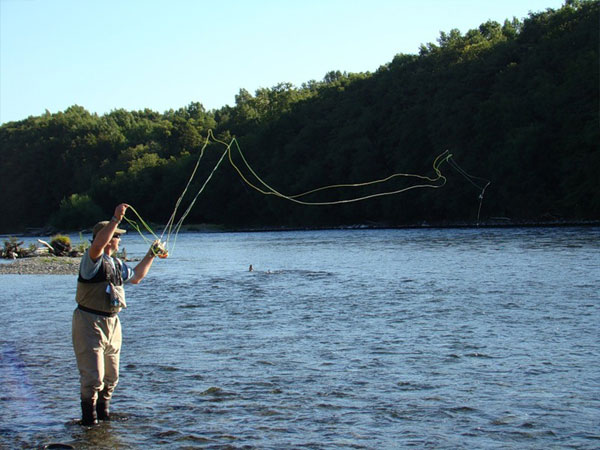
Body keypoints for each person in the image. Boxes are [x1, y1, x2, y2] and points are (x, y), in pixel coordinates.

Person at [72, 203, 159, 426]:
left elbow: (137, 276)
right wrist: (116, 219)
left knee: (111, 378)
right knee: (94, 378)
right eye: (117, 236)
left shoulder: (117, 264)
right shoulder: (91, 260)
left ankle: (104, 416)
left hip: (113, 324)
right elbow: (98, 245)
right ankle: (89, 422)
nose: (119, 240)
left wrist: (151, 254)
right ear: (109, 237)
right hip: (89, 322)